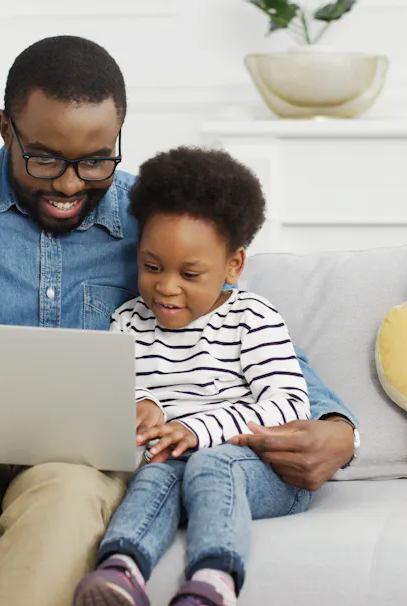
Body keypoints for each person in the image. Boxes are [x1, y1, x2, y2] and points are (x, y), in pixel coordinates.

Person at [0, 36, 359, 606]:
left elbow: (236, 325)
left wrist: (337, 425)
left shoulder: (155, 220)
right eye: (44, 158)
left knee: (63, 518)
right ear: (4, 127)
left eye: (95, 160)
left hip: (74, 464)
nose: (68, 184)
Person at [74, 147, 322, 606]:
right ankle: (121, 570)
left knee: (210, 462)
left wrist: (196, 429)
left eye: (190, 273)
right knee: (157, 469)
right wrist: (139, 404)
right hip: (171, 462)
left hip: (258, 472)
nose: (166, 287)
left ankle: (214, 582)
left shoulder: (253, 317)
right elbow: (113, 386)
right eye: (151, 266)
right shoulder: (128, 321)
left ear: (234, 265)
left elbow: (289, 406)